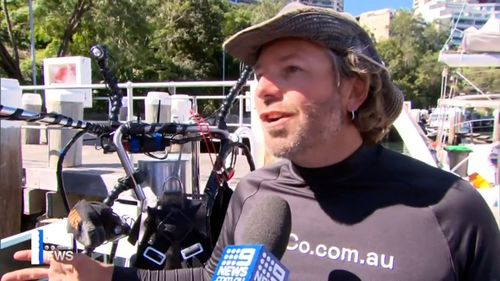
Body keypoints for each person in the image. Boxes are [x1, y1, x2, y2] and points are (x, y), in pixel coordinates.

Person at [2, 3, 499, 281]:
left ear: (354, 88)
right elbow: (214, 280)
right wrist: (105, 278)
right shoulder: (256, 195)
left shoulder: (451, 211)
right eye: (260, 74)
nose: (262, 88)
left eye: (292, 70)